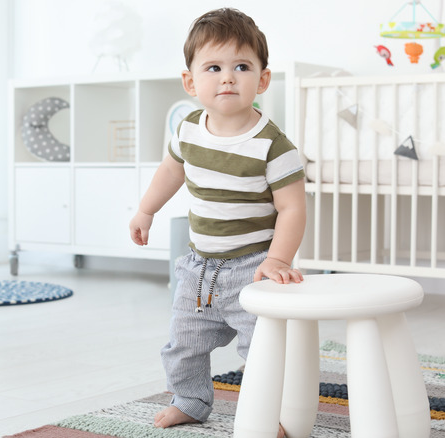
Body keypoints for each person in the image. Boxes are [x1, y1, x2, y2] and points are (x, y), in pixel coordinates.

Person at [127, 8, 306, 436]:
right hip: (198, 268)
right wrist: (145, 209)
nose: (228, 78)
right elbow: (169, 173)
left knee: (263, 350)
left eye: (241, 67)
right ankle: (190, 400)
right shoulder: (188, 130)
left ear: (262, 80)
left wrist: (279, 259)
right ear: (191, 82)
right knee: (182, 345)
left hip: (253, 265)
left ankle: (275, 416)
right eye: (214, 67)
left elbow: (293, 208)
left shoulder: (273, 145)